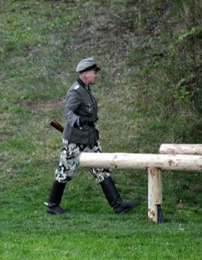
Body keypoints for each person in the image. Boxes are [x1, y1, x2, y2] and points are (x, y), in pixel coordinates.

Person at [45, 57, 140, 215]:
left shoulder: (86, 89)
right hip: (75, 140)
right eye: (94, 72)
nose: (97, 74)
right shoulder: (75, 92)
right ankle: (52, 206)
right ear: (85, 74)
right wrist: (79, 120)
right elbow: (68, 113)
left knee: (102, 168)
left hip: (89, 138)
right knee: (65, 171)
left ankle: (118, 205)